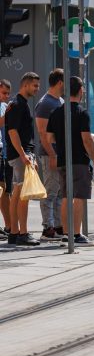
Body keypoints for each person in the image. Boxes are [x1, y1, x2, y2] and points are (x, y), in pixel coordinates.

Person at [46, 76, 94, 246]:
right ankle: (76, 235)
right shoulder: (81, 112)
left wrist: (64, 141)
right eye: (83, 88)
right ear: (80, 90)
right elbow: (86, 140)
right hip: (79, 161)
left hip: (63, 159)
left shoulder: (55, 112)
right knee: (78, 196)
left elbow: (49, 138)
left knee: (65, 196)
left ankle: (66, 234)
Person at [5, 72, 41, 247]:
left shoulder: (17, 104)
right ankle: (23, 233)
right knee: (22, 195)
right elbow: (12, 132)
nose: (37, 89)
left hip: (19, 155)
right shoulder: (18, 104)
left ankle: (14, 233)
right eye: (34, 85)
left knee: (17, 194)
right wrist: (24, 154)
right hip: (20, 156)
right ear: (25, 85)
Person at [34, 68, 64, 240]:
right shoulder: (45, 103)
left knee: (59, 192)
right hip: (49, 154)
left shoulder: (58, 100)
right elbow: (42, 133)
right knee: (50, 192)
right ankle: (47, 229)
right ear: (60, 82)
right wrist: (52, 155)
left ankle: (59, 225)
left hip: (58, 153)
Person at [0, 78, 12, 239]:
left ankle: (9, 225)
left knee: (4, 189)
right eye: (4, 93)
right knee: (2, 188)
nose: (6, 96)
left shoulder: (3, 105)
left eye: (8, 93)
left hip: (3, 151)